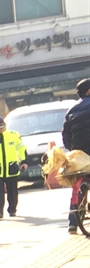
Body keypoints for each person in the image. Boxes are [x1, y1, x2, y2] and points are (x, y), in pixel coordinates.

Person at [61, 78, 90, 234]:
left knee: (78, 186)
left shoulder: (71, 110)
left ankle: (72, 224)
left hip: (79, 153)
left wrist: (72, 149)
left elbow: (66, 135)